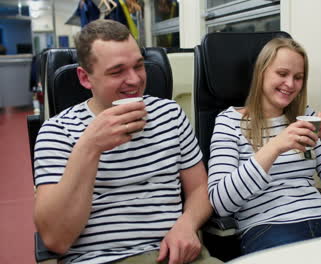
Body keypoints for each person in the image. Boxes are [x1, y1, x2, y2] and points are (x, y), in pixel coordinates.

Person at [33, 19, 221, 264]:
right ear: (85, 78)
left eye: (139, 66)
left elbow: (199, 189)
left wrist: (187, 225)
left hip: (174, 255)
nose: (134, 80)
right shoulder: (57, 132)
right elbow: (56, 239)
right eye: (117, 71)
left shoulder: (170, 114)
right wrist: (90, 146)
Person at [208, 38, 321, 255]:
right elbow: (220, 202)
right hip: (267, 227)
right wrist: (275, 146)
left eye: (298, 78)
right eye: (282, 73)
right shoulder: (229, 122)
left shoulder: (306, 118)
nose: (290, 84)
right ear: (261, 72)